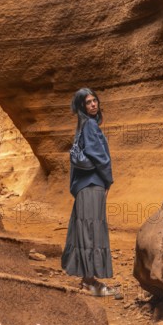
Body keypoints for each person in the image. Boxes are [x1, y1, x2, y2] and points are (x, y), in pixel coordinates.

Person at [61, 87, 115, 296]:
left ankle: (88, 280)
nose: (93, 105)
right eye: (88, 102)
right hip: (92, 186)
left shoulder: (82, 126)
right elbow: (100, 158)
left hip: (85, 187)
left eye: (95, 101)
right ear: (81, 107)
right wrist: (108, 180)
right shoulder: (90, 125)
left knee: (85, 230)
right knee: (92, 231)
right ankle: (89, 282)